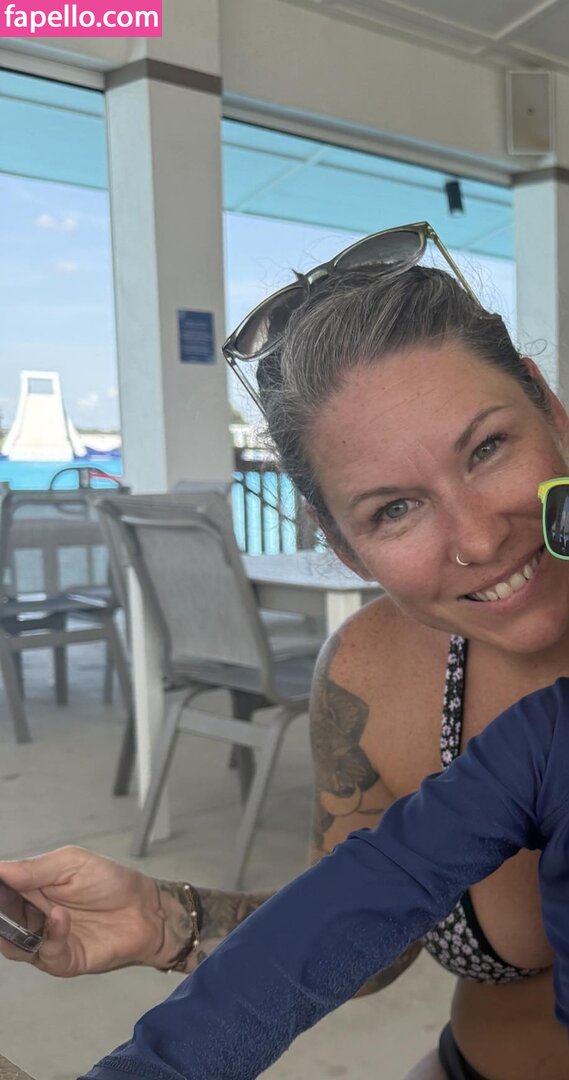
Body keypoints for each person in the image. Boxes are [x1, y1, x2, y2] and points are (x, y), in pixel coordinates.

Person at [2, 221, 569, 1078]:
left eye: (486, 448)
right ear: (343, 547)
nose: (478, 539)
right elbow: (363, 934)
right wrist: (166, 919)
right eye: (393, 509)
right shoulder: (372, 678)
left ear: (548, 407)